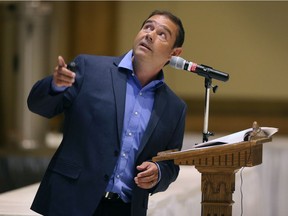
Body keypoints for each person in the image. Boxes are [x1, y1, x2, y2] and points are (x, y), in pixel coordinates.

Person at [27, 10, 187, 216]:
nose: (150, 34)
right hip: (70, 202)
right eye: (148, 27)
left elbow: (170, 166)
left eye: (162, 34)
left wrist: (158, 174)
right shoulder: (90, 68)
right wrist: (55, 86)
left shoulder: (174, 107)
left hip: (125, 209)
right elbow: (38, 106)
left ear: (174, 54)